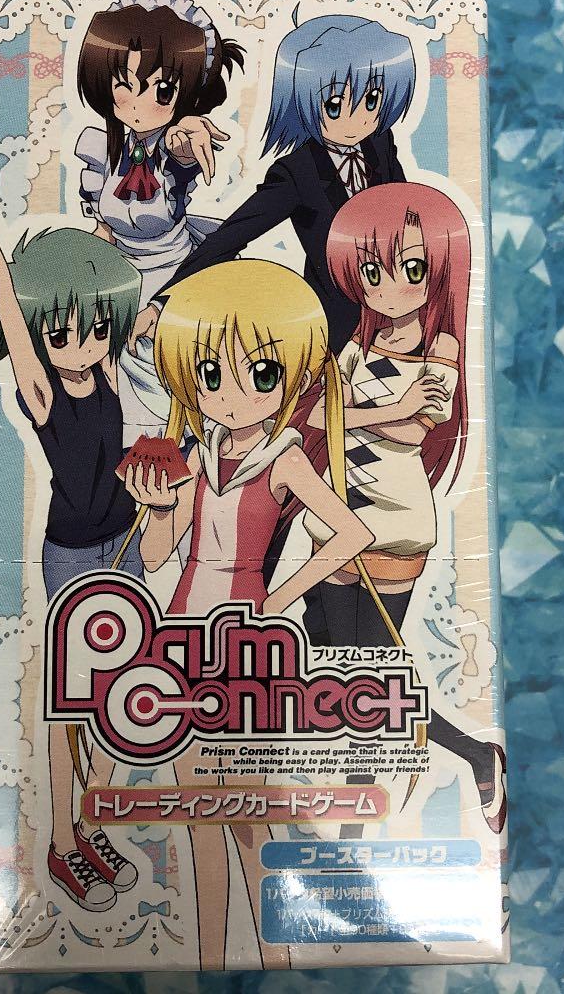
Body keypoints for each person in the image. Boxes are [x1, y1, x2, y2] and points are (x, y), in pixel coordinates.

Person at [120, 259, 375, 968]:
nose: (230, 396)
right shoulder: (198, 456)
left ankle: (277, 956)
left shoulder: (284, 459)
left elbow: (351, 533)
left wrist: (281, 597)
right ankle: (208, 958)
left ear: (291, 377)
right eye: (210, 375)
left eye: (259, 374)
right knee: (197, 812)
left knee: (251, 814)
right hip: (182, 632)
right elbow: (159, 554)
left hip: (245, 639)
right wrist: (160, 508)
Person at [302, 183, 506, 834]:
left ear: (437, 269)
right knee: (344, 672)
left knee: (372, 679)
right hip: (336, 515)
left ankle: (373, 810)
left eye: (410, 269)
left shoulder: (439, 349)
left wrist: (362, 413)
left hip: (392, 520)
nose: (389, 288)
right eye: (372, 272)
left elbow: (414, 432)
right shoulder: (359, 342)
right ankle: (442, 767)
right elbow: (317, 413)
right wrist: (386, 408)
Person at [0, 204, 144, 911]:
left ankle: (92, 822)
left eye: (97, 326)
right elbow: (16, 309)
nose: (83, 343)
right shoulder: (42, 391)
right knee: (73, 704)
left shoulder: (109, 373)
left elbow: (105, 274)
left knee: (120, 700)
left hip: (127, 545)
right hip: (73, 555)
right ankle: (61, 841)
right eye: (62, 332)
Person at [152, 14, 415, 354]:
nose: (356, 120)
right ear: (300, 101)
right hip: (337, 322)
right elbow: (232, 236)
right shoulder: (297, 172)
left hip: (401, 308)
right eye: (334, 105)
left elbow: (407, 214)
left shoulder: (380, 143)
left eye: (372, 100)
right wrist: (163, 303)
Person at [75, 0, 244, 439]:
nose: (137, 104)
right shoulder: (102, 150)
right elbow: (103, 229)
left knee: (176, 373)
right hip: (119, 278)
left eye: (162, 91)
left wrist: (186, 136)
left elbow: (181, 148)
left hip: (174, 274)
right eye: (123, 85)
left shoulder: (173, 149)